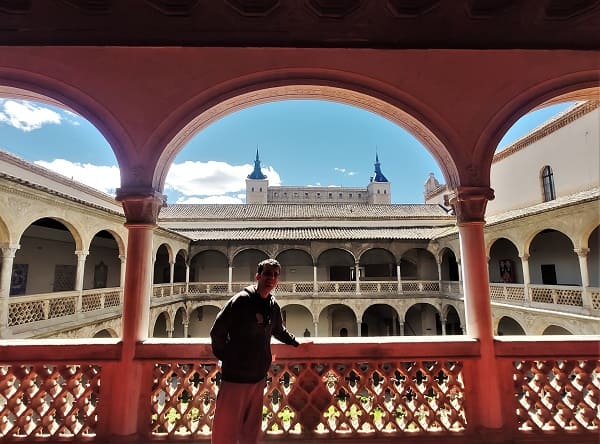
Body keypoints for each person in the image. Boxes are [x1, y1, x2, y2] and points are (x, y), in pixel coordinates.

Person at [210, 258, 304, 444]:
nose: (272, 278)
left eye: (275, 275)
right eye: (268, 273)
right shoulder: (241, 301)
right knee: (225, 428)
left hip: (258, 375)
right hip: (235, 377)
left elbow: (278, 330)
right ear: (258, 276)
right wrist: (228, 358)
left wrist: (297, 343)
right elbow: (217, 332)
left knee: (251, 430)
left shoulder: (272, 305)